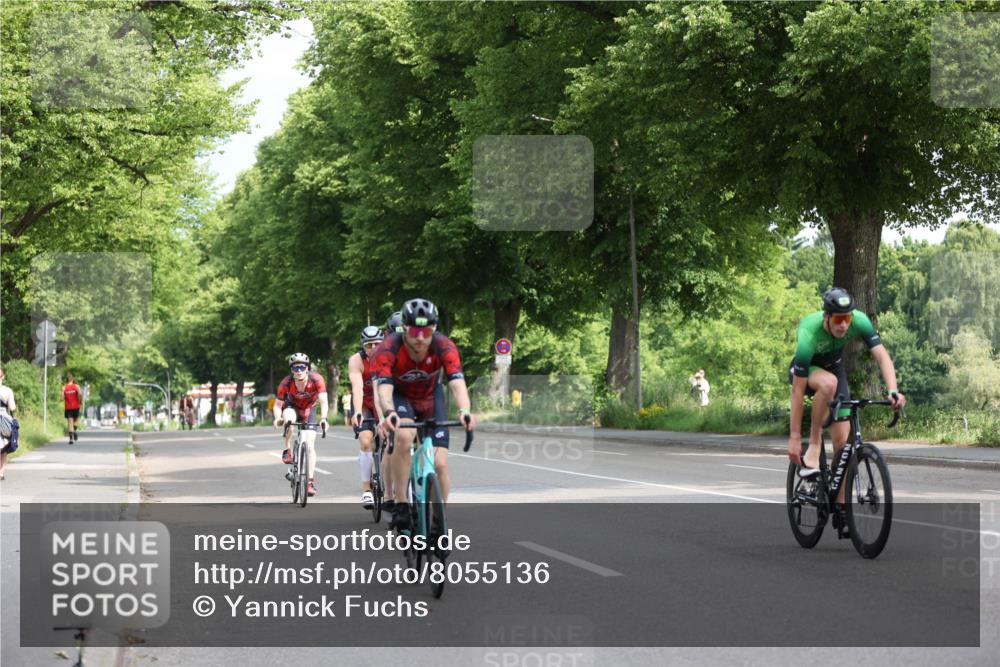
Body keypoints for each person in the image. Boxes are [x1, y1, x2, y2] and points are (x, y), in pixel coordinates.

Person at [787, 288, 906, 504]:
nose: (844, 325)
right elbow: (796, 391)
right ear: (827, 317)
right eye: (839, 319)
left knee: (843, 447)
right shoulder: (809, 332)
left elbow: (882, 356)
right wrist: (795, 438)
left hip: (834, 368)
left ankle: (842, 507)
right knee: (828, 383)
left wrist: (893, 390)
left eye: (847, 318)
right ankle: (814, 444)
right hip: (807, 371)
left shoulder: (859, 321)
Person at [374, 298, 475, 530]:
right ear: (405, 329)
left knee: (439, 464)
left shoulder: (444, 346)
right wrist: (389, 412)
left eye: (426, 330)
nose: (421, 337)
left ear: (434, 329)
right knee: (403, 437)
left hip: (431, 398)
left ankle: (440, 520)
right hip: (402, 398)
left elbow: (458, 383)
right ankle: (400, 503)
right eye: (415, 331)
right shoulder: (389, 347)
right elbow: (384, 387)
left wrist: (465, 411)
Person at [274, 353, 329, 497]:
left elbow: (323, 400)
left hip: (309, 409)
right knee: (290, 421)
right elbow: (278, 404)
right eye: (295, 367)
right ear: (291, 370)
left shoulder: (316, 379)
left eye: (302, 367)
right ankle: (287, 450)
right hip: (291, 407)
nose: (299, 370)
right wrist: (277, 417)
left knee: (310, 444)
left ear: (307, 368)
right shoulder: (286, 383)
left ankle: (310, 481)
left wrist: (324, 418)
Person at [349, 325, 384, 509]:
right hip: (364, 402)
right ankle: (367, 490)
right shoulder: (356, 360)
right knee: (365, 440)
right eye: (369, 345)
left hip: (384, 400)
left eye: (377, 344)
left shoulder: (389, 356)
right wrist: (357, 411)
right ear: (363, 346)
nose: (373, 348)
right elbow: (357, 388)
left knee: (391, 439)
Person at [0, 366, 16, 480]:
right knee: (4, 446)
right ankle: (1, 473)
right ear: (3, 377)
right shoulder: (7, 390)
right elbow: (12, 407)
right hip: (3, 419)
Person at [62, 373, 83, 443]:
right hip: (76, 406)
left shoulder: (64, 387)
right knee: (76, 420)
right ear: (73, 379)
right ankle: (74, 431)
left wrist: (64, 394)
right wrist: (81, 401)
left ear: (67, 380)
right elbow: (80, 394)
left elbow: (62, 398)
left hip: (68, 407)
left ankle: (71, 438)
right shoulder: (76, 386)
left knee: (70, 423)